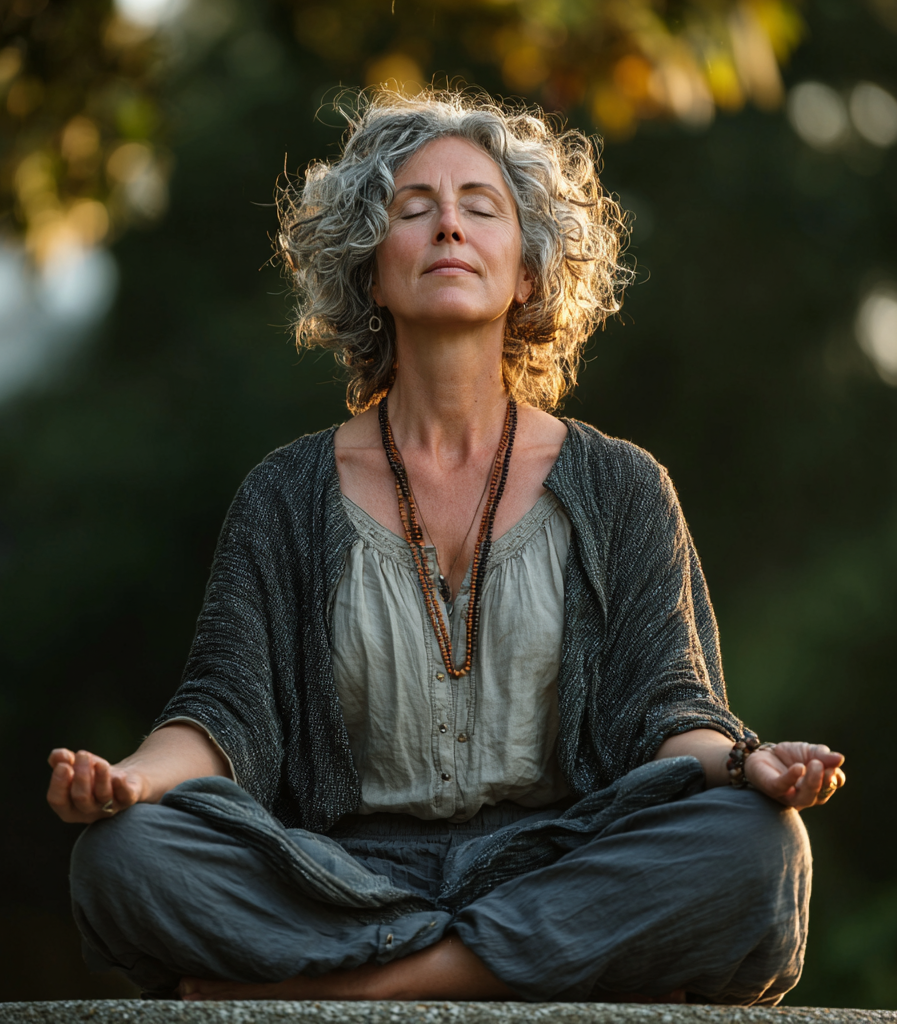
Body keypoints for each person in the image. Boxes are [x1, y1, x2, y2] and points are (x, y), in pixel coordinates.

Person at [45, 89, 845, 1005]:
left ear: (530, 271)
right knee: (124, 856)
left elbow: (666, 707)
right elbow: (226, 711)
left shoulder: (622, 484)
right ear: (371, 272)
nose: (449, 229)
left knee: (755, 845)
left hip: (558, 859)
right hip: (337, 880)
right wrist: (127, 784)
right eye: (413, 211)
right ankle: (517, 967)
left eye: (481, 208)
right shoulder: (285, 493)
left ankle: (363, 992)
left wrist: (749, 764)